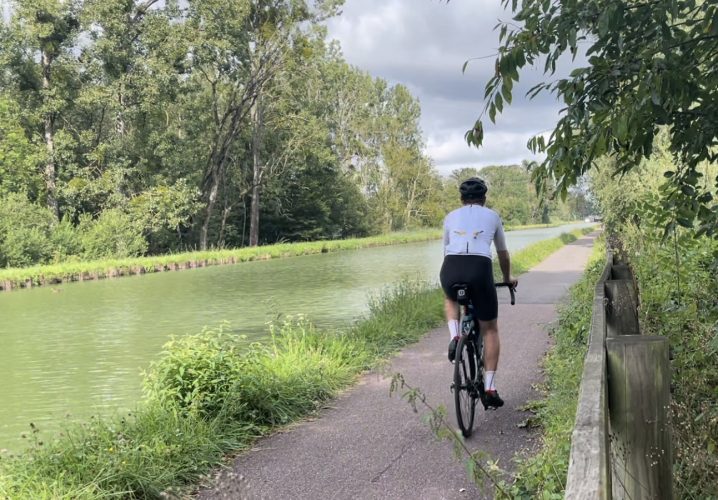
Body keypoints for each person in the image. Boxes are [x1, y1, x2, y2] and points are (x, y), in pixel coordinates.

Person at [439, 177, 517, 409]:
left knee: (450, 297)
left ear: (461, 199)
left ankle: (455, 336)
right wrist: (506, 278)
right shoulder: (492, 216)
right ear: (484, 198)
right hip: (479, 269)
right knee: (490, 328)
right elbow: (502, 253)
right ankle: (490, 387)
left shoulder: (450, 217)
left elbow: (446, 250)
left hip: (451, 267)